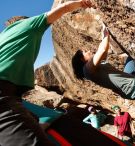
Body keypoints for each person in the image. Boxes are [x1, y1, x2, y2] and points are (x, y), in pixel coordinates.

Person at [0, 0, 92, 145]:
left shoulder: (3, 37)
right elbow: (63, 8)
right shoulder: (29, 25)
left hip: (12, 96)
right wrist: (82, 3)